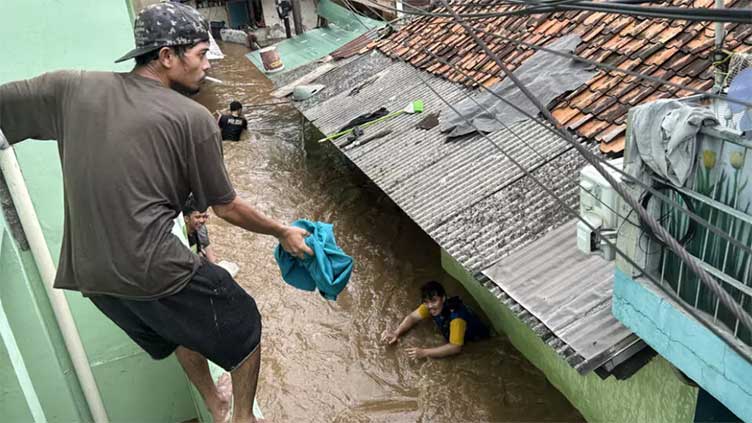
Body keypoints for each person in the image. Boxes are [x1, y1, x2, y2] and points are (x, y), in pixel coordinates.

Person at [0, 3, 312, 423]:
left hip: (90, 278)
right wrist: (282, 232)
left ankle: (213, 402)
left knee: (180, 327)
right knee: (245, 323)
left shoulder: (70, 88)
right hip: (150, 269)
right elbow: (227, 207)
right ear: (167, 56)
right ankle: (242, 417)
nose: (208, 64)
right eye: (202, 53)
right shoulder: (195, 119)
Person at [382, 281, 489, 359]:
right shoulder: (430, 306)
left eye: (433, 301)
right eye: (426, 302)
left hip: (478, 340)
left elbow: (455, 347)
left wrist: (424, 352)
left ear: (443, 298)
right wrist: (396, 332)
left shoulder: (456, 319)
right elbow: (412, 317)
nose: (430, 306)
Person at [183, 197, 218, 264]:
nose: (202, 221)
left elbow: (199, 252)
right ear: (186, 219)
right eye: (198, 217)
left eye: (205, 216)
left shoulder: (196, 230)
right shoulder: (179, 237)